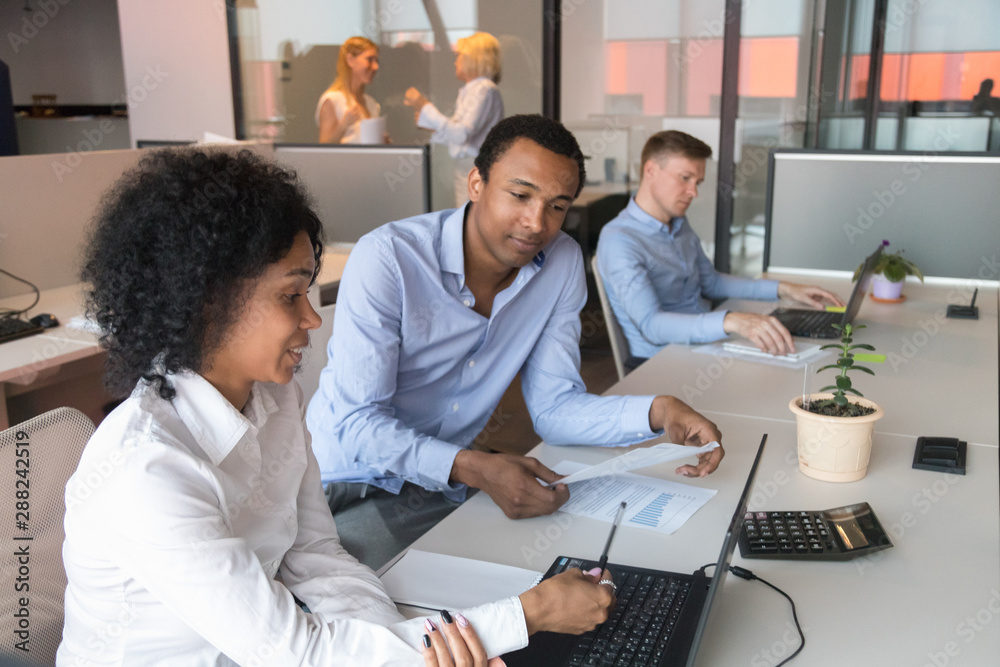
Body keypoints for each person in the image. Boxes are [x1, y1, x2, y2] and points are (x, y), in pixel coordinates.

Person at [57, 148, 616, 665]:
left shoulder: (273, 397)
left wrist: (426, 646)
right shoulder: (147, 469)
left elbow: (316, 554)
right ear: (208, 301)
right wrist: (526, 615)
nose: (312, 319)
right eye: (289, 295)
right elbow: (299, 652)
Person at [306, 115, 724, 569]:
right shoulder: (389, 258)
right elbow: (357, 423)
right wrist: (472, 467)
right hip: (348, 483)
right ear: (476, 183)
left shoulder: (561, 262)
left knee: (581, 560)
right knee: (435, 603)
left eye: (557, 206)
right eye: (520, 195)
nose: (536, 222)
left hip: (446, 479)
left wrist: (658, 410)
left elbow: (555, 407)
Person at [596, 130, 844, 363]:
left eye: (698, 182)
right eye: (685, 178)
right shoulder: (620, 240)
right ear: (650, 170)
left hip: (707, 345)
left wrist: (784, 289)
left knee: (814, 356)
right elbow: (651, 325)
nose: (693, 192)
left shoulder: (678, 224)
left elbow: (711, 282)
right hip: (664, 361)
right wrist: (732, 321)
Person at [403, 32, 504, 207]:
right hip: (468, 168)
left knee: (468, 220)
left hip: (474, 169)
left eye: (459, 56)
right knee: (464, 218)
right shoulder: (475, 90)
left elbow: (460, 135)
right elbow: (458, 136)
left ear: (474, 59)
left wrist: (425, 106)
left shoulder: (484, 90)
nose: (455, 61)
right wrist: (431, 126)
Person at [316, 36, 382, 144]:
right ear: (350, 60)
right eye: (369, 59)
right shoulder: (332, 100)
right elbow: (324, 147)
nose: (375, 67)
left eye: (376, 61)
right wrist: (343, 126)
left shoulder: (370, 103)